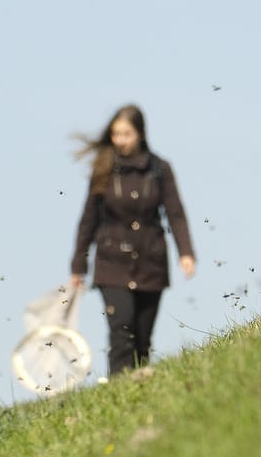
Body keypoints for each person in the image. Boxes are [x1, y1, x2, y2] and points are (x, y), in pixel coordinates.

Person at [69, 104, 196, 377]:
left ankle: (140, 389)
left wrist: (186, 252)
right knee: (122, 331)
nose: (120, 140)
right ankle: (119, 388)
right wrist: (78, 265)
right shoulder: (103, 170)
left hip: (152, 263)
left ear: (140, 134)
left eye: (126, 134)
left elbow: (175, 213)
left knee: (142, 339)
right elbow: (88, 219)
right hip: (112, 264)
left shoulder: (160, 169)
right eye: (116, 134)